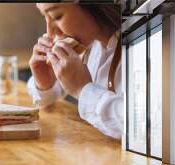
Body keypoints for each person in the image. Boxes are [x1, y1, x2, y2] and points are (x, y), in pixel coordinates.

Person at [27, 3, 123, 139]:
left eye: (57, 16)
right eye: (46, 17)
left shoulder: (148, 44)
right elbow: (46, 99)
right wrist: (45, 83)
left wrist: (83, 90)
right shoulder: (90, 46)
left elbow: (146, 127)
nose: (50, 32)